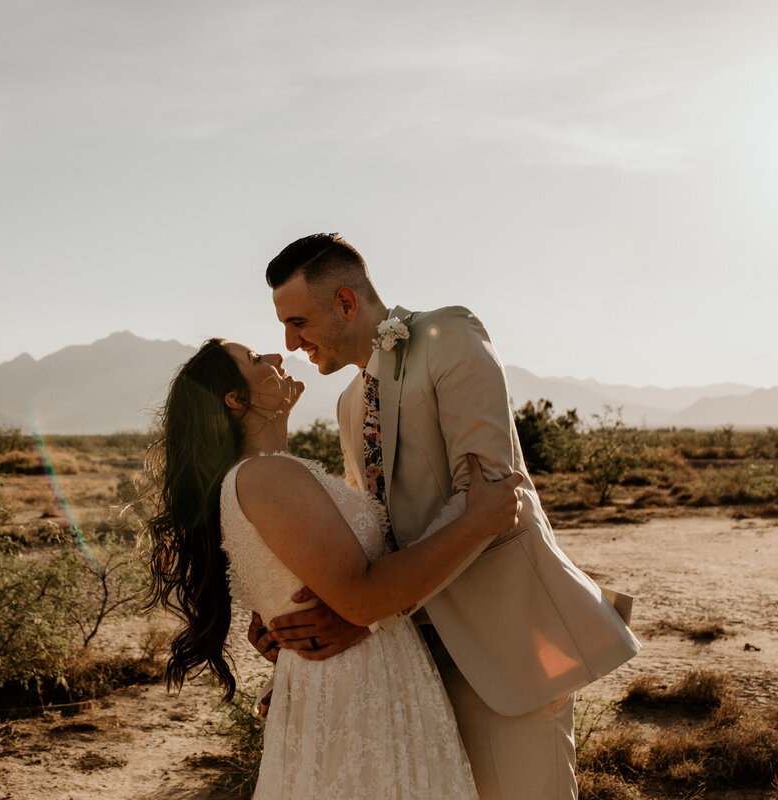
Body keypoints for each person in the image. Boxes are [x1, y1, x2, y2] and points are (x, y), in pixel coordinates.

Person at [250, 233, 642, 799]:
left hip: (510, 648)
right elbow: (373, 533)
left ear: (344, 302)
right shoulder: (348, 404)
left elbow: (488, 494)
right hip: (413, 673)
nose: (288, 342)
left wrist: (372, 610)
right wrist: (303, 615)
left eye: (298, 322)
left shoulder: (449, 335)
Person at [144, 337, 528, 798]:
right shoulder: (267, 475)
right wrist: (476, 523)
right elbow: (362, 597)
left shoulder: (264, 474)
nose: (275, 356)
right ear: (235, 399)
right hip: (357, 692)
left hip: (350, 685)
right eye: (253, 359)